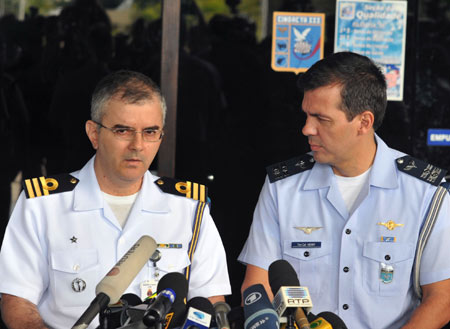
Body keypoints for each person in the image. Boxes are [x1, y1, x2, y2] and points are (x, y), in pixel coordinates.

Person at [0, 70, 231, 329]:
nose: (137, 145)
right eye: (123, 130)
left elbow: (209, 302)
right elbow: (17, 302)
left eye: (150, 132)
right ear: (94, 133)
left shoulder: (189, 210)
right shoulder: (42, 205)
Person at [238, 52, 450, 328]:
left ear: (364, 122)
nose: (306, 129)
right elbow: (257, 285)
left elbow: (442, 299)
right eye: (306, 115)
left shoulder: (426, 194)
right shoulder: (282, 186)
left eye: (321, 119)